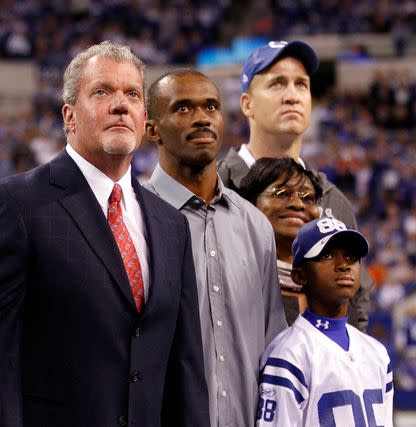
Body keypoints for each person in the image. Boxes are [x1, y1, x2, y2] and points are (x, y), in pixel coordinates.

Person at [0, 42, 209, 427]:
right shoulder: (13, 206)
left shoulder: (171, 224)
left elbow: (184, 365)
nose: (120, 104)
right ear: (69, 116)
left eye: (133, 95)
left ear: (144, 118)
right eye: (102, 92)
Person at [144, 68, 286, 427]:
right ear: (151, 128)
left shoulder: (255, 225)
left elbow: (272, 343)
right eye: (183, 109)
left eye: (211, 107)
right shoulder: (132, 217)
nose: (202, 118)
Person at [217, 40, 372, 331]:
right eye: (277, 84)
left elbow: (355, 303)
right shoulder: (215, 191)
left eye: (301, 85)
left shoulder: (333, 201)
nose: (292, 96)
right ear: (246, 104)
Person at [257, 217, 393, 426]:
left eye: (351, 256)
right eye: (327, 255)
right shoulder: (289, 353)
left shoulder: (377, 352)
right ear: (299, 275)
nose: (343, 265)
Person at [239, 157, 323, 324]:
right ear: (250, 204)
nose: (298, 204)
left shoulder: (330, 289)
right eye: (282, 194)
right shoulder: (231, 279)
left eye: (308, 198)